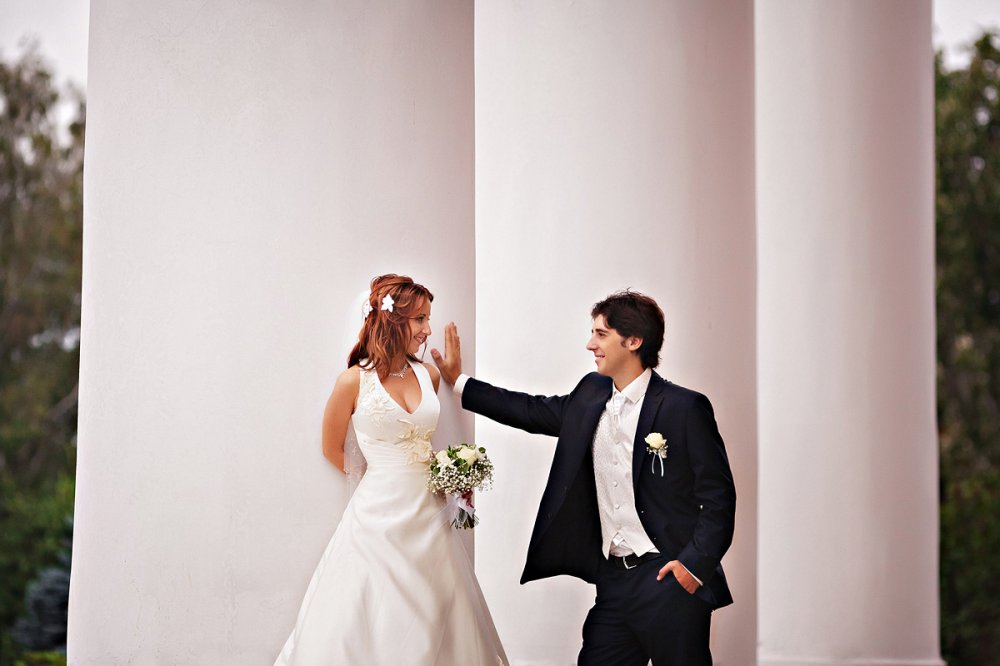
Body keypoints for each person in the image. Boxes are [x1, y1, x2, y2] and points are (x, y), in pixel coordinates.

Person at [430, 290, 735, 666]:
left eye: (601, 334)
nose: (591, 344)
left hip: (668, 580)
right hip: (614, 583)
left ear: (634, 341)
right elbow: (531, 410)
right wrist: (460, 382)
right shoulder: (590, 394)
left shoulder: (684, 407)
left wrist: (691, 567)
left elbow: (719, 498)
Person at [275, 274, 508, 666]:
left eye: (428, 318)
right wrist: (384, 478)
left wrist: (452, 477)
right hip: (375, 518)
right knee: (372, 612)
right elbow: (331, 448)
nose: (428, 329)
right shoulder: (352, 381)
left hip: (429, 515)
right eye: (420, 319)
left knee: (436, 610)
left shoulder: (428, 375)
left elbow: (426, 441)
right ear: (391, 319)